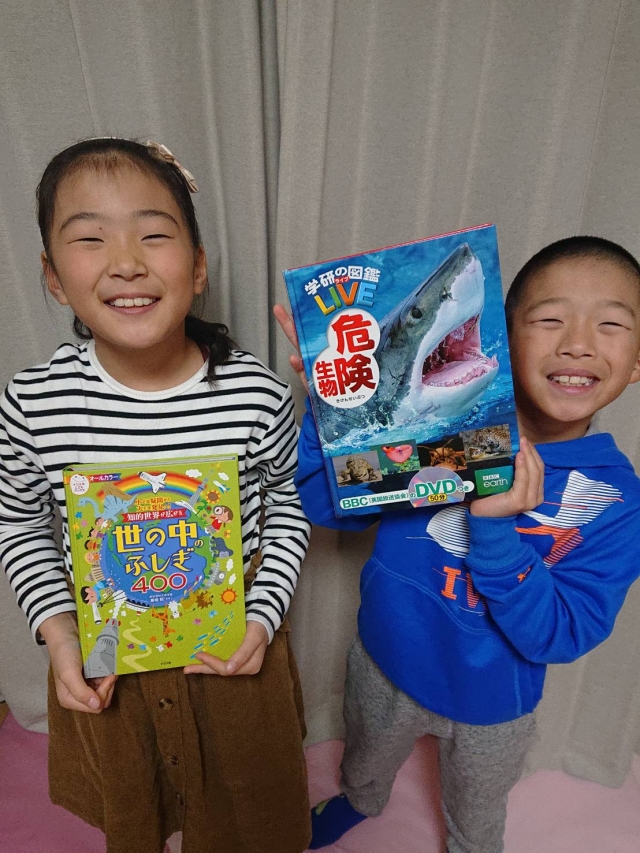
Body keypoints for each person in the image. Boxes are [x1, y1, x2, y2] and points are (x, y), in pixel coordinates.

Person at [274, 235, 640, 853]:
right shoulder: (436, 429)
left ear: (636, 361)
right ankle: (360, 800)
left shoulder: (617, 500)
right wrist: (328, 418)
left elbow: (561, 634)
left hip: (494, 701)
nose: (577, 342)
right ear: (502, 333)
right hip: (385, 661)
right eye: (550, 319)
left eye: (610, 325)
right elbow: (330, 509)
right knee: (363, 762)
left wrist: (494, 531)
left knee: (477, 812)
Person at [0, 137, 311, 853]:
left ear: (197, 267)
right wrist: (58, 632)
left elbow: (288, 504)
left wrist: (262, 618)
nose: (126, 261)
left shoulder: (255, 394)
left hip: (233, 654)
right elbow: (18, 521)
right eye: (89, 238)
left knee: (248, 815)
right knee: (134, 811)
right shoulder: (33, 403)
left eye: (153, 234)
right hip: (107, 653)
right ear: (53, 276)